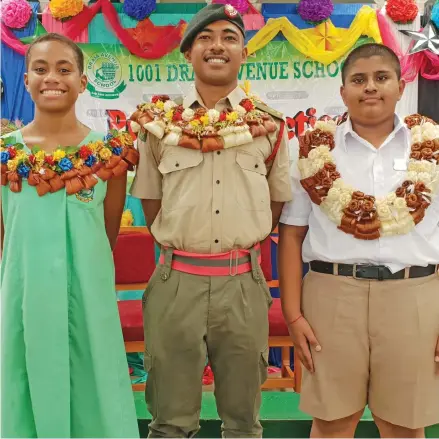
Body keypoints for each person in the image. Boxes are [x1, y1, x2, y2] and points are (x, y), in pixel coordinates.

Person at [129, 4, 292, 437]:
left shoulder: (271, 127)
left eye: (229, 37)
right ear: (187, 53)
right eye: (205, 37)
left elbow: (274, 206)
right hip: (175, 282)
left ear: (243, 53)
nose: (217, 45)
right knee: (169, 421)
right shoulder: (160, 126)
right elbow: (150, 203)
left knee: (242, 421)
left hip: (242, 283)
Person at [278, 43, 439, 438]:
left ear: (401, 87)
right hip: (332, 296)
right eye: (359, 80)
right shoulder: (313, 150)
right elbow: (292, 233)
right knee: (332, 422)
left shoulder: (433, 148)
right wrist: (294, 315)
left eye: (381, 78)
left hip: (414, 295)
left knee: (404, 425)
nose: (370, 88)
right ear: (343, 91)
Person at [1, 33, 139, 438]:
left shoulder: (108, 153)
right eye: (41, 69)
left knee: (92, 377)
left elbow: (108, 228)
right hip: (24, 297)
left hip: (87, 297)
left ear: (82, 82)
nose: (52, 78)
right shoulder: (7, 155)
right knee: (23, 383)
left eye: (64, 69)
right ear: (26, 80)